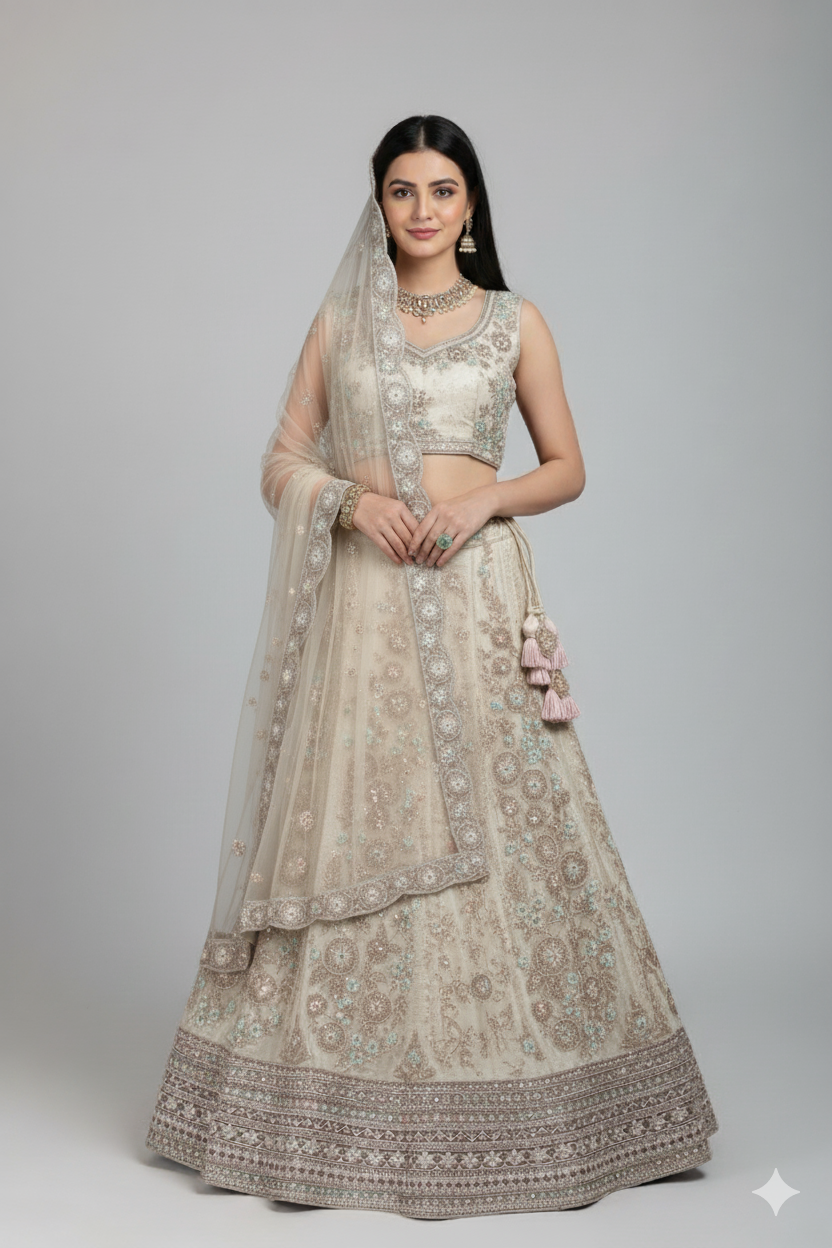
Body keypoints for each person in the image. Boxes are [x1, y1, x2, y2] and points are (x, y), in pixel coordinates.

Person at [146, 115, 719, 1218]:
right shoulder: (340, 322)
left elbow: (567, 466)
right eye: (402, 190)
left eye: (442, 190)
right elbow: (280, 460)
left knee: (512, 823)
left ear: (470, 205)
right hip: (362, 609)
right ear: (379, 204)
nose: (421, 209)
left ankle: (551, 1109)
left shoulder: (514, 321)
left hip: (474, 599)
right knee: (357, 813)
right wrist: (348, 502)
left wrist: (484, 499)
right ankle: (321, 1119)